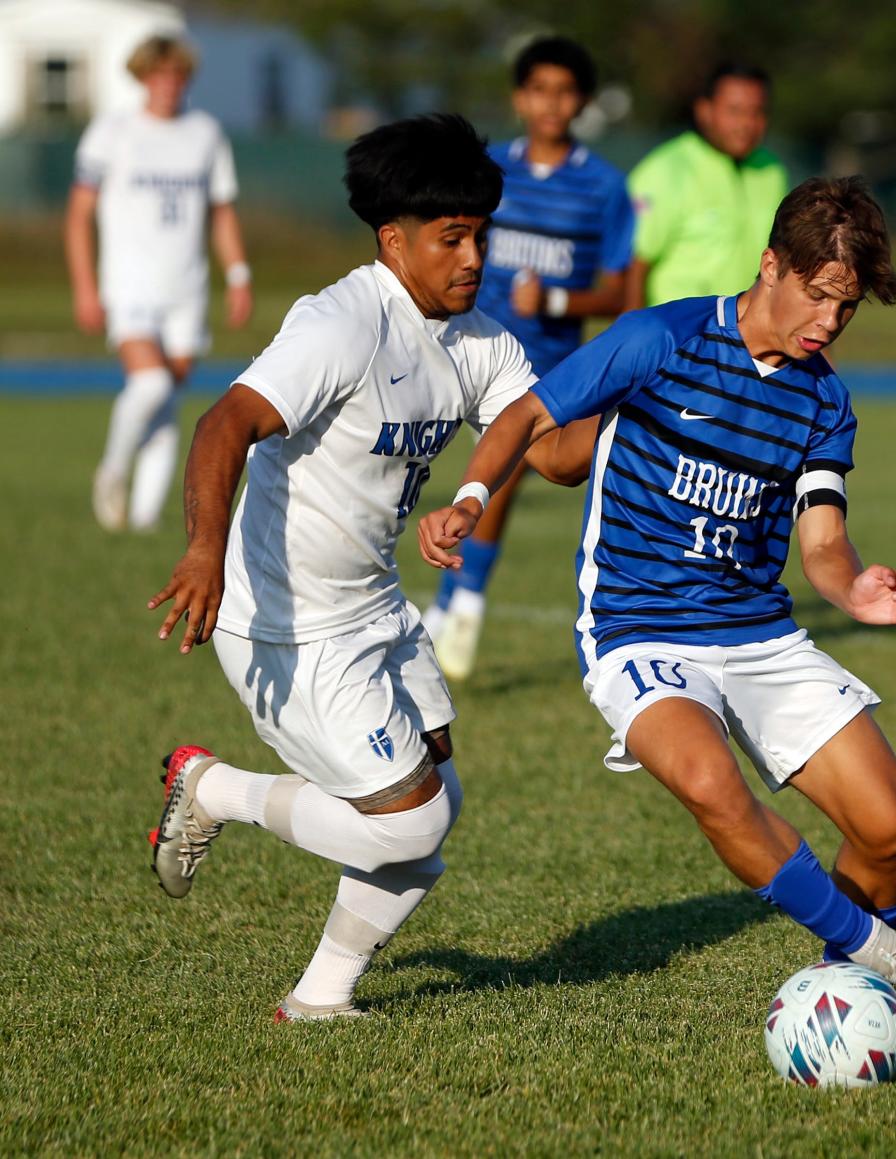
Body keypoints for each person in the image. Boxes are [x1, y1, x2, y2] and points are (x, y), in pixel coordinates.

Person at [419, 177, 896, 1009]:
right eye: (820, 297)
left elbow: (823, 541)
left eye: (849, 309)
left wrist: (855, 589)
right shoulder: (662, 337)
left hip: (759, 634)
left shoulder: (825, 399)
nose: (829, 323)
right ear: (771, 266)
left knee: (894, 828)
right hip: (638, 629)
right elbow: (527, 417)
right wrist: (469, 500)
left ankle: (847, 988)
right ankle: (882, 950)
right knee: (712, 784)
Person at [146, 114, 591, 1021]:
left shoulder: (478, 339)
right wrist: (203, 548)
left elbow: (554, 456)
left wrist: (638, 394)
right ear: (394, 242)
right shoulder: (342, 323)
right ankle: (213, 787)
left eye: (480, 235)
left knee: (436, 804)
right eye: (451, 239)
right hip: (285, 621)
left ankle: (319, 997)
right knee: (411, 819)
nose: (473, 257)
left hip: (372, 608)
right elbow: (223, 423)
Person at [425, 35, 634, 680]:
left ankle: (458, 608)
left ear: (584, 103)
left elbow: (619, 289)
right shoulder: (489, 172)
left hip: (541, 366)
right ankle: (437, 607)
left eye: (565, 92)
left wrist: (558, 298)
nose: (551, 104)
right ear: (520, 97)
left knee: (506, 470)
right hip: (464, 345)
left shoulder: (603, 187)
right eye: (539, 89)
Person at [65, 33, 252, 533]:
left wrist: (238, 275)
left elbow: (222, 212)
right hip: (128, 284)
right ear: (143, 77)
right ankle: (111, 472)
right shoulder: (112, 132)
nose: (169, 84)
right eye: (159, 74)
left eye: (178, 75)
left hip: (186, 289)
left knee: (168, 402)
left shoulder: (206, 133)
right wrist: (84, 286)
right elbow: (79, 215)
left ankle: (142, 522)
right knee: (149, 384)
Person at [625, 62, 786, 310]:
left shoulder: (771, 171)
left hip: (747, 338)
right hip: (679, 337)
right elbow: (632, 267)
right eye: (734, 111)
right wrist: (635, 340)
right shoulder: (665, 170)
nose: (746, 123)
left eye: (757, 112)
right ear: (705, 110)